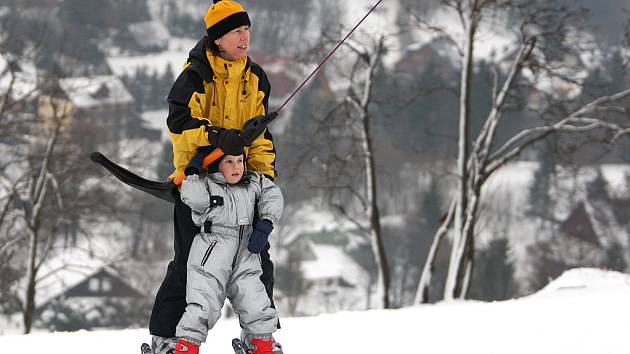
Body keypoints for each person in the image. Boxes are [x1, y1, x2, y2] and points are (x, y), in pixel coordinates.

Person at [150, 0, 279, 352]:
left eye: (247, 30)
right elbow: (178, 124)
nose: (244, 37)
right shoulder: (194, 76)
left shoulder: (256, 78)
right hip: (198, 187)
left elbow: (261, 135)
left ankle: (261, 338)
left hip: (244, 187)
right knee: (188, 264)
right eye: (236, 31)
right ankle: (167, 339)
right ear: (218, 38)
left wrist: (265, 180)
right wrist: (215, 137)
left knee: (258, 262)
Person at [174, 150, 283, 354]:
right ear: (216, 165)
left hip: (246, 251)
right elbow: (194, 198)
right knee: (203, 304)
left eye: (240, 161)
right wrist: (192, 173)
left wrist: (266, 223)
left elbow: (273, 194)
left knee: (256, 301)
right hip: (212, 251)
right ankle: (186, 347)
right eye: (229, 162)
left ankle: (262, 346)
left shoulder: (253, 181)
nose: (236, 167)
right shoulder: (207, 184)